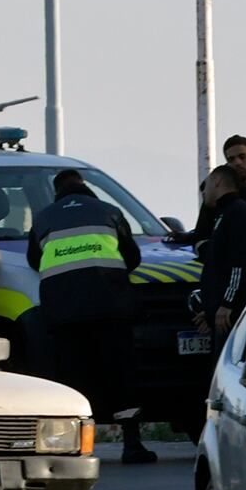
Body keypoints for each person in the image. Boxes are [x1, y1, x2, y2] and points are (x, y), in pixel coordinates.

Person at [28, 169, 154, 464]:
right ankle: (132, 444)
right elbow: (131, 257)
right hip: (111, 309)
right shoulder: (109, 211)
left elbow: (35, 261)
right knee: (121, 376)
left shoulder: (44, 218)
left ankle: (74, 448)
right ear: (84, 187)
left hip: (65, 314)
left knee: (75, 380)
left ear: (57, 192)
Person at [168, 135, 246, 270]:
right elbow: (201, 237)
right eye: (231, 159)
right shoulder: (216, 202)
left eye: (242, 157)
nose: (237, 162)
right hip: (228, 279)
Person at [196, 165, 246, 340]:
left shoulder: (237, 213)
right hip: (219, 313)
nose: (203, 192)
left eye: (206, 186)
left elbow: (240, 263)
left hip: (231, 316)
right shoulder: (222, 215)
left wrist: (227, 303)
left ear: (217, 181)